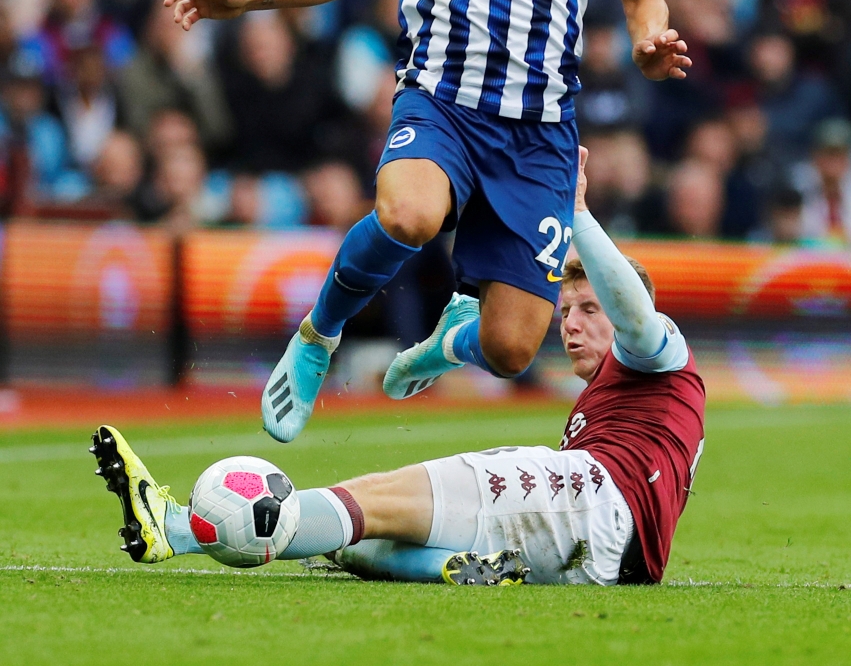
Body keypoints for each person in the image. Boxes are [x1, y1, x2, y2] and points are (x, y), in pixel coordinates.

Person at [164, 0, 691, 444]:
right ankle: (318, 337)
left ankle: (450, 339)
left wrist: (645, 43)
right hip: (439, 101)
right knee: (408, 216)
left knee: (510, 350)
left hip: (535, 135)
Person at [91, 146, 706, 586]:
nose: (570, 323)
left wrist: (574, 213)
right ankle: (452, 571)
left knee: (374, 499)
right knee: (364, 543)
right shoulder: (614, 398)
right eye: (565, 309)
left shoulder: (661, 358)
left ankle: (177, 526)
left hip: (596, 497)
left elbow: (635, 315)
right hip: (604, 557)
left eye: (588, 308)